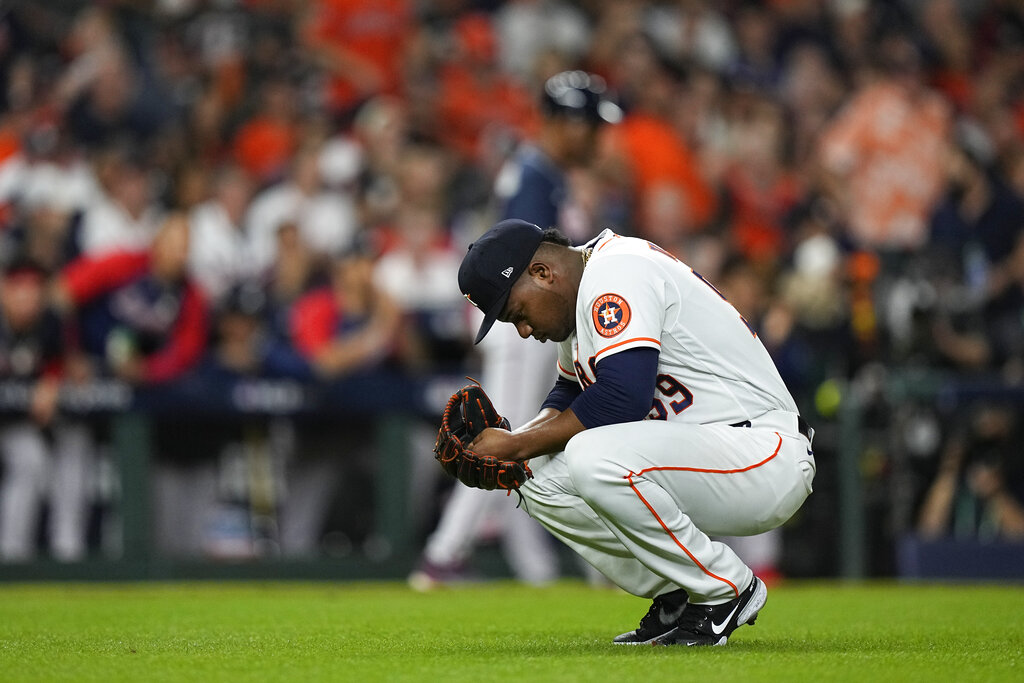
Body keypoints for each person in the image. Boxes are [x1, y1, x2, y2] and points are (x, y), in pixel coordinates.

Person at [456, 218, 816, 646]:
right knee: (531, 474)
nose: (524, 330)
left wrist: (514, 443)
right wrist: (511, 450)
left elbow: (622, 396)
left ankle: (725, 588)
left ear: (541, 272)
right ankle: (678, 595)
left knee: (592, 455)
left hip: (761, 450)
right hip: (705, 453)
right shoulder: (583, 292)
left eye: (517, 313)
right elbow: (570, 392)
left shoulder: (616, 272)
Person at [409, 70, 620, 589]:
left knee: (529, 443)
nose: (596, 136)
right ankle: (442, 557)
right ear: (564, 122)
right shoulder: (535, 176)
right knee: (508, 439)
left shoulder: (541, 171)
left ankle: (536, 572)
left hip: (521, 321)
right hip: (522, 321)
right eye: (589, 123)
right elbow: (524, 274)